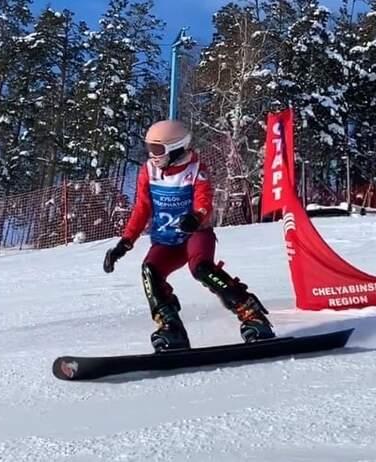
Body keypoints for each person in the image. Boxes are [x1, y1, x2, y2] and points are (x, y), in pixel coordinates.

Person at [102, 120, 275, 352]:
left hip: (196, 235)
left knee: (201, 268)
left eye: (158, 150)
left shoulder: (195, 170)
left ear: (176, 148)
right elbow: (142, 209)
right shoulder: (149, 172)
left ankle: (252, 315)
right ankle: (171, 328)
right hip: (167, 241)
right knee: (150, 271)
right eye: (150, 148)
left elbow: (204, 199)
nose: (153, 156)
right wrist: (125, 243)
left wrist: (195, 217)